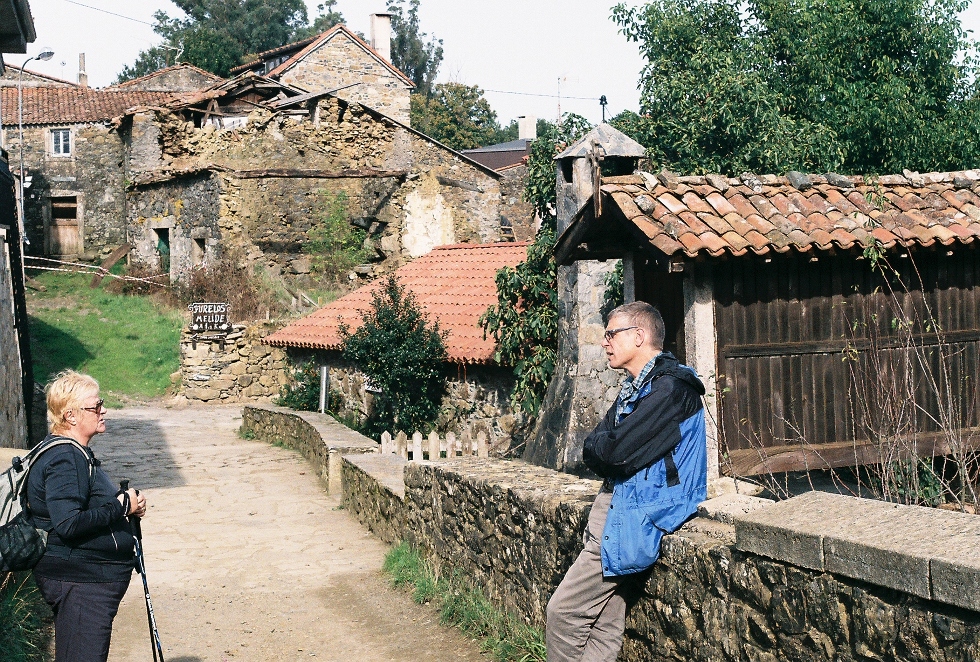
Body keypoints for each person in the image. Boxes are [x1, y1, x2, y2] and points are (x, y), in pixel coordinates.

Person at [545, 301, 707, 662]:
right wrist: (604, 448)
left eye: (610, 334)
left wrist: (605, 448)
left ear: (638, 336)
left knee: (562, 614)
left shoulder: (671, 391)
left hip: (637, 516)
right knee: (604, 623)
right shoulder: (639, 387)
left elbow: (612, 453)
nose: (604, 342)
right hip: (620, 508)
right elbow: (597, 448)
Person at [26, 370, 147, 662]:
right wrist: (121, 507)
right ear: (71, 416)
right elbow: (68, 523)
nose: (103, 410)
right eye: (95, 406)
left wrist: (126, 506)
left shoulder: (70, 453)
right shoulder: (65, 457)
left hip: (84, 583)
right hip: (81, 585)